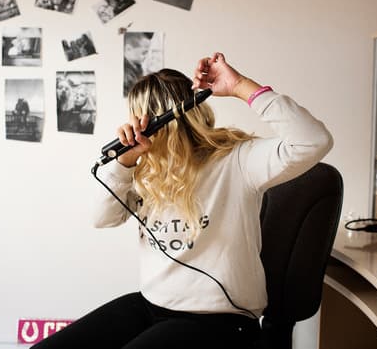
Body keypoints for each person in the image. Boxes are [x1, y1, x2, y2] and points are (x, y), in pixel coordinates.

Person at [31, 52, 333, 349]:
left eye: (139, 115)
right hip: (151, 306)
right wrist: (123, 163)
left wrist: (240, 85)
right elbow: (101, 218)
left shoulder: (237, 160)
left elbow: (313, 140)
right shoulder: (146, 168)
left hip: (219, 321)